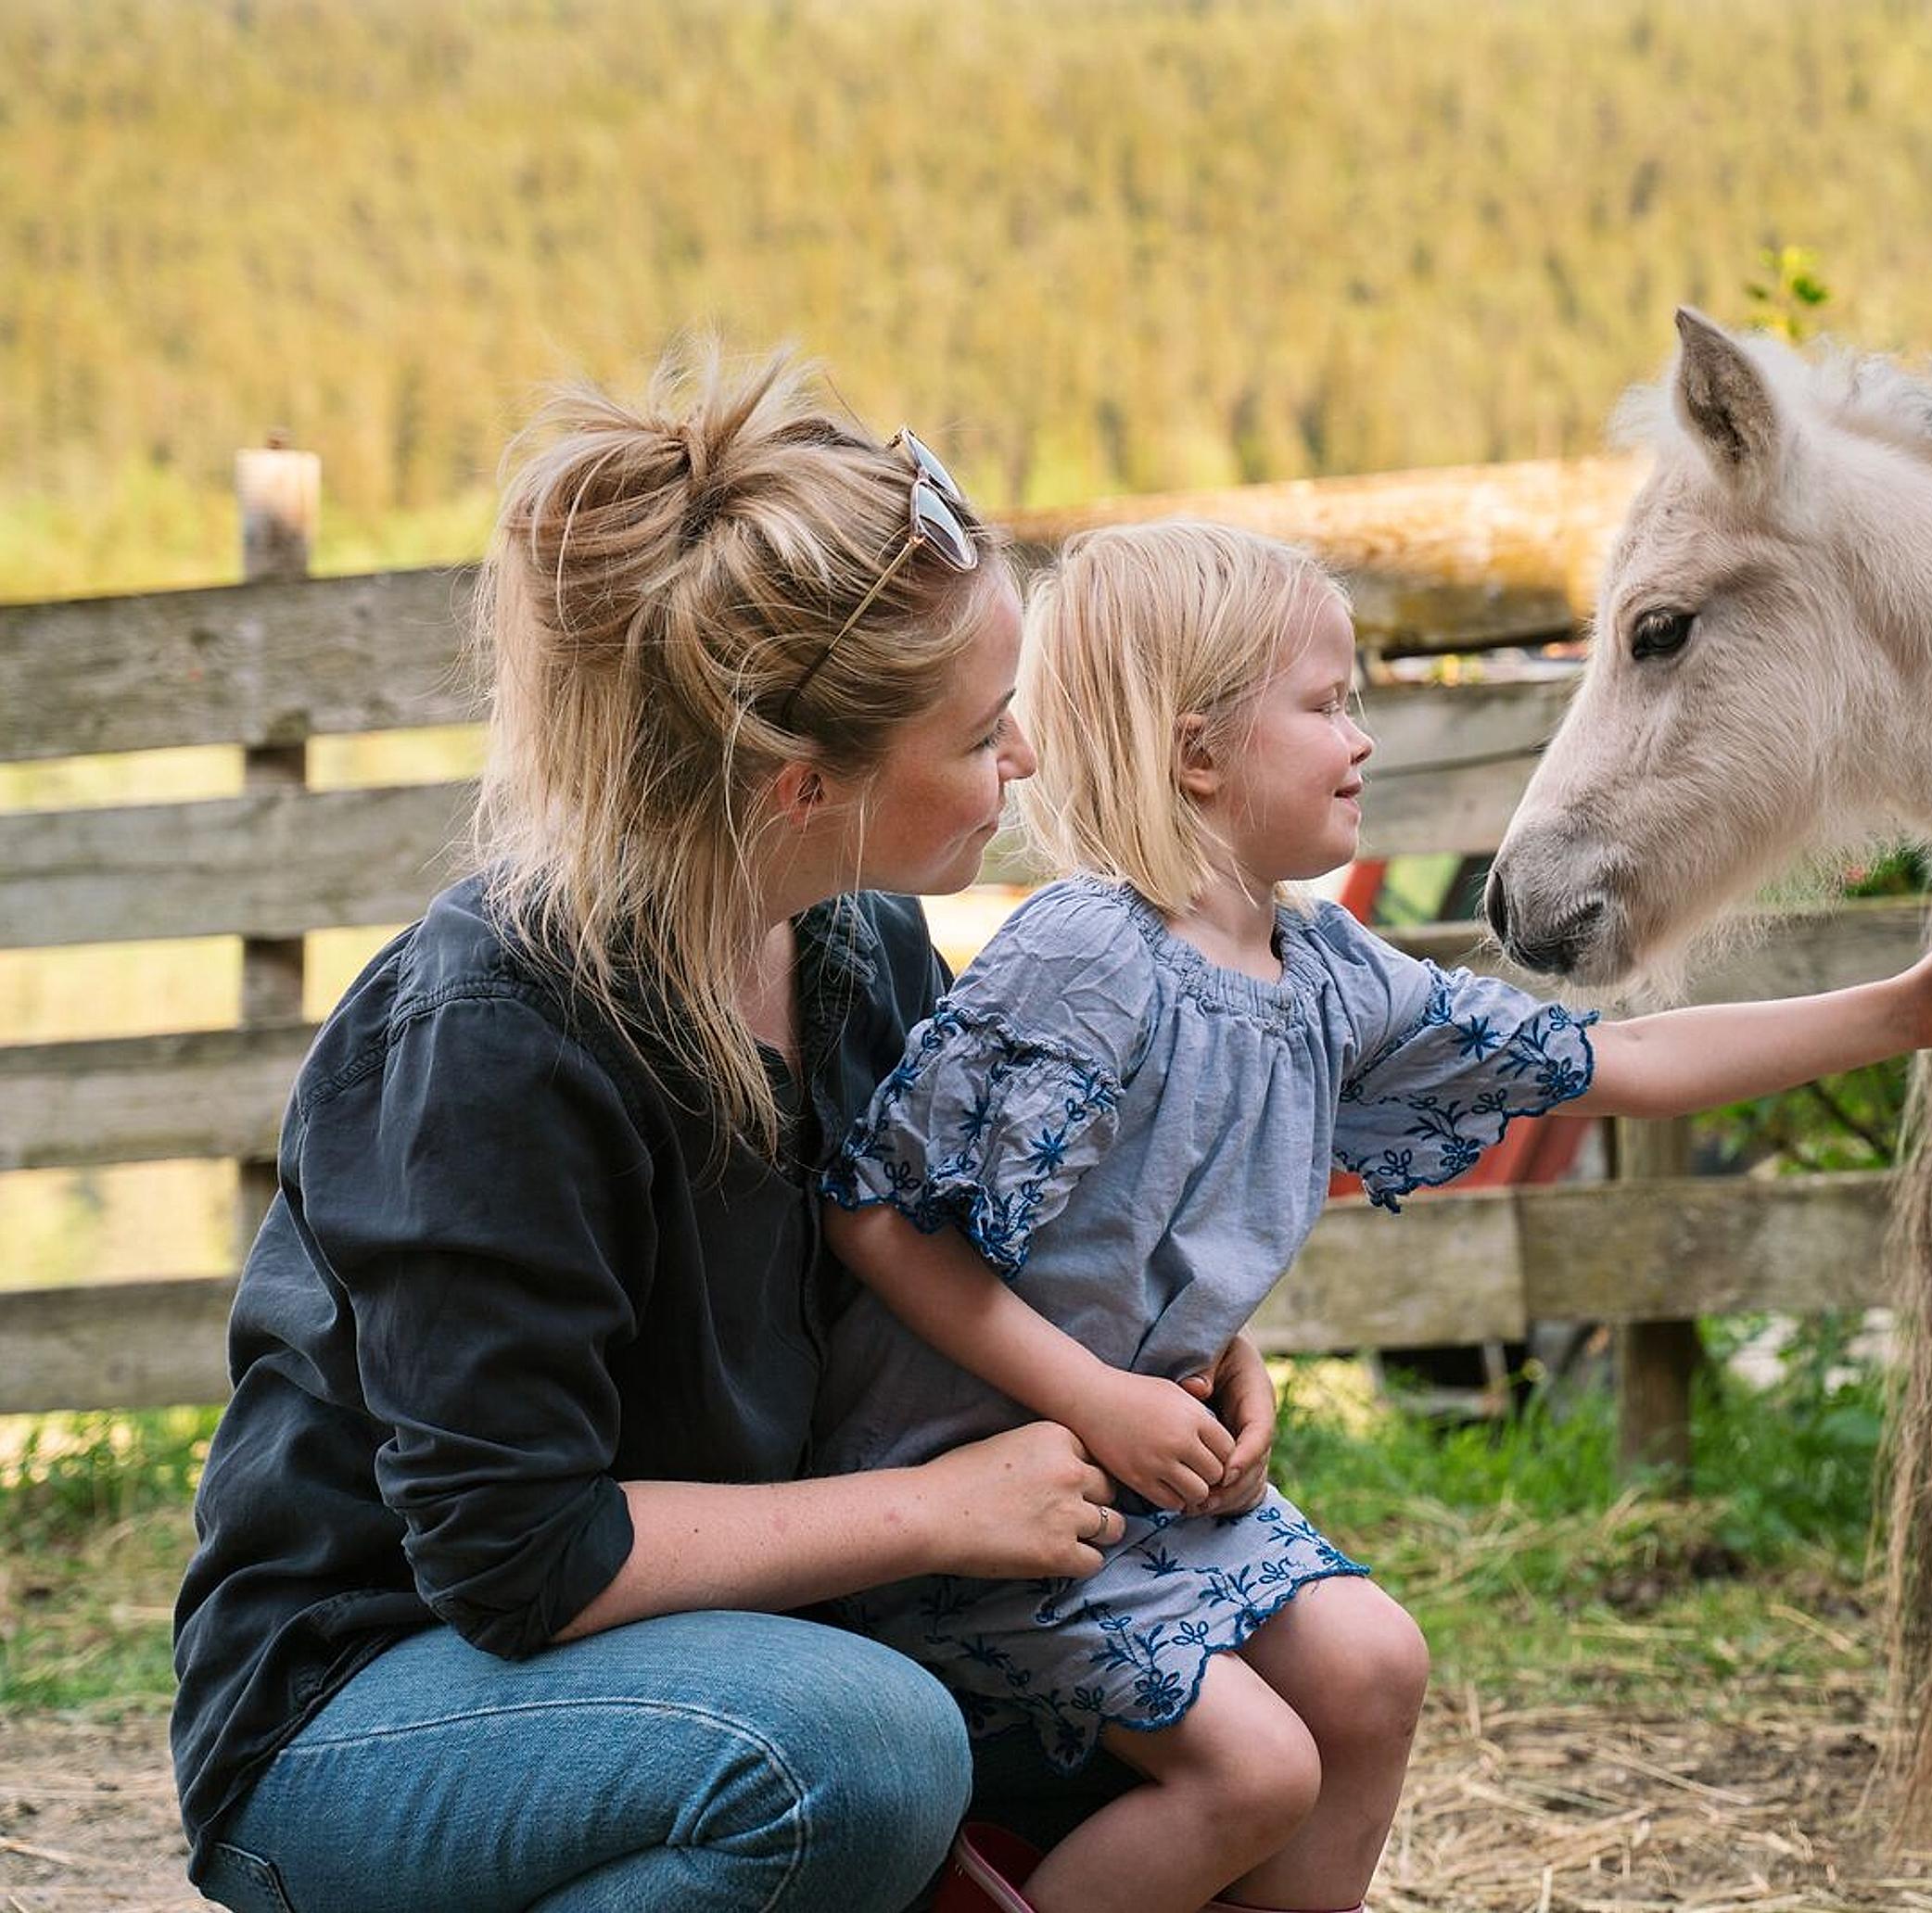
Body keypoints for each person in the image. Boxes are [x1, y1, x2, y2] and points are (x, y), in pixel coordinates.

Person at [167, 348, 1256, 1913]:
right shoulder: (497, 1036)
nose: (1018, 762)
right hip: (373, 1705)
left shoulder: (855, 944)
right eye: (979, 735)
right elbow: (513, 1558)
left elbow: (938, 1261)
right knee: (856, 1754)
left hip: (717, 1637)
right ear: (802, 785)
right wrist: (940, 1511)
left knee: (1202, 1690)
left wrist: (1160, 1342)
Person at [815, 520, 1932, 1913]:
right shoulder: (1083, 959)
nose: (1362, 740)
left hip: (1146, 1478)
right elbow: (885, 1226)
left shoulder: (1321, 968)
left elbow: (1611, 1063)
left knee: (1377, 1667)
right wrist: (1100, 1399)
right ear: (1199, 753)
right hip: (987, 1494)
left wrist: (1904, 1011)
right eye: (1326, 706)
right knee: (1254, 1773)